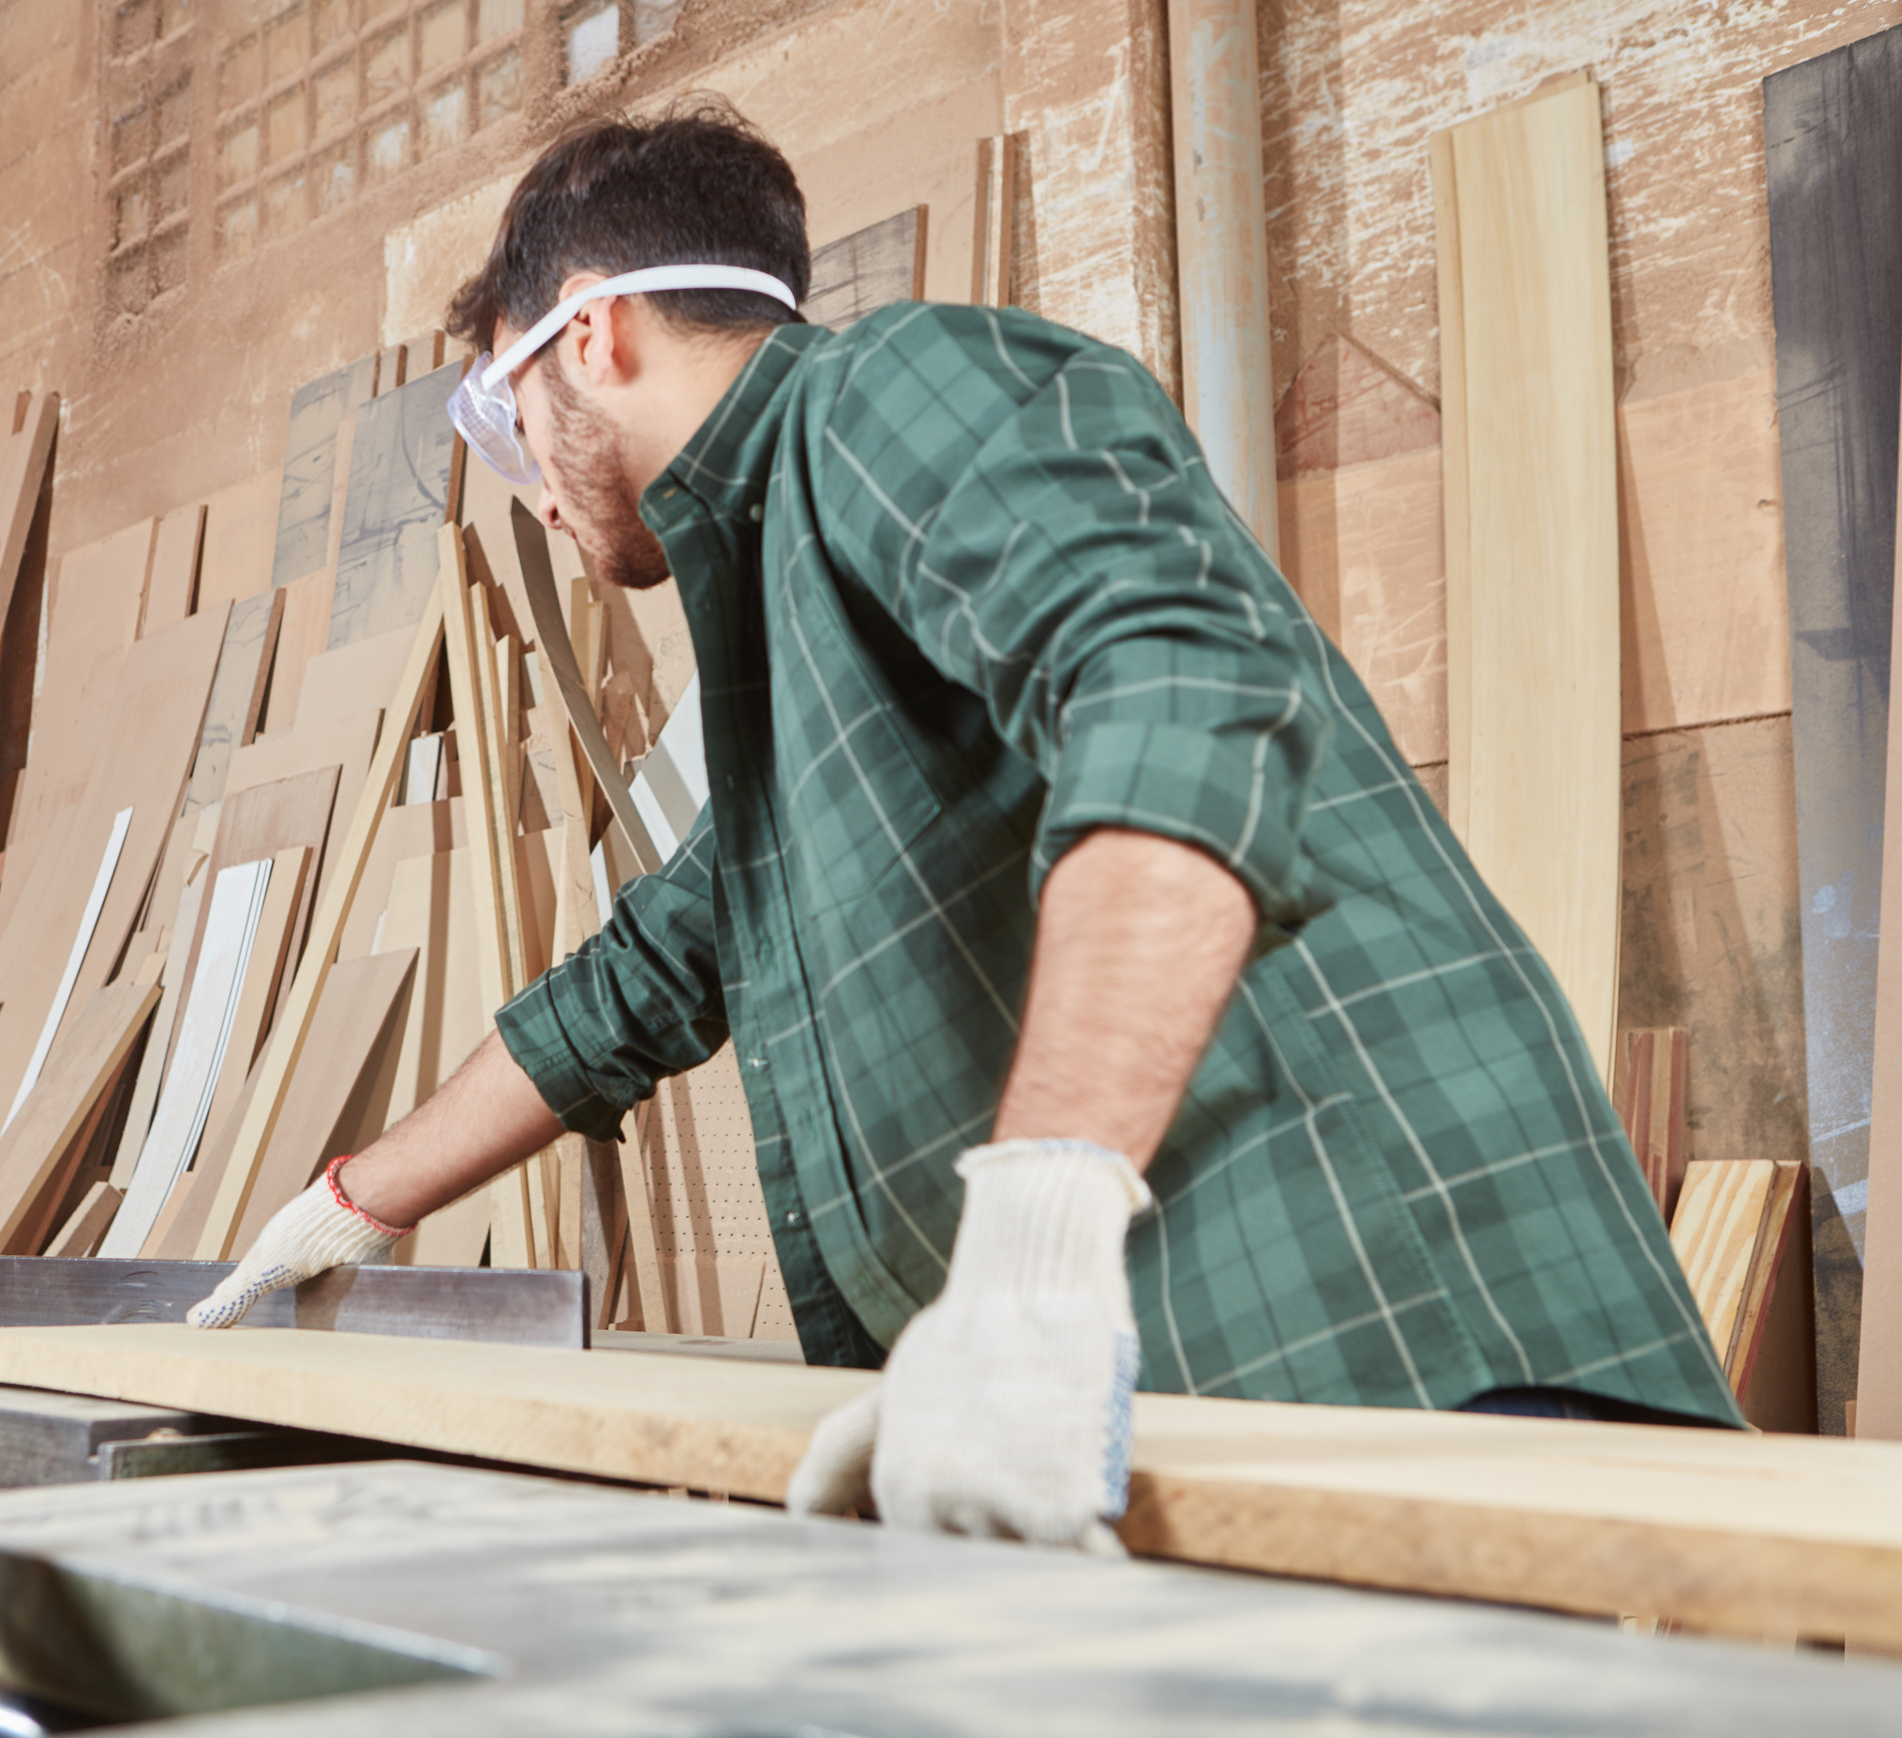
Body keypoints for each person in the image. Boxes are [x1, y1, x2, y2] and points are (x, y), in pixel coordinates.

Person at [189, 104, 1741, 1545]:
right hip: (1222, 1415)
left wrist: (1034, 1250)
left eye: (502, 415)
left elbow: (1171, 682)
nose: (523, 486)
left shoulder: (886, 393)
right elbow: (653, 970)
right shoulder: (786, 634)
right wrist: (346, 1201)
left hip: (1389, 1353)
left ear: (589, 331)